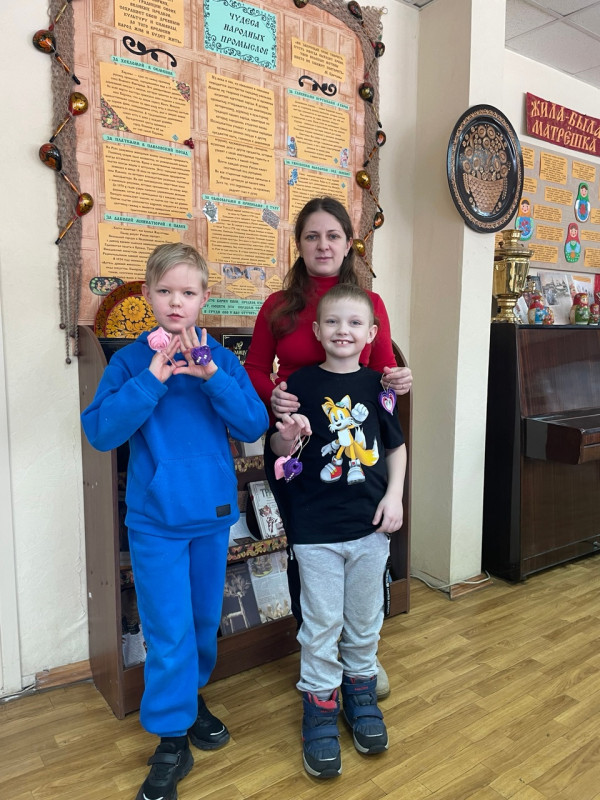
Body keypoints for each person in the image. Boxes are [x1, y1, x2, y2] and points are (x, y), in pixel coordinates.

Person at [81, 243, 269, 800]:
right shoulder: (129, 362)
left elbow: (253, 423)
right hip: (156, 521)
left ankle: (188, 697)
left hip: (210, 516)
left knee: (203, 621)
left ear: (204, 298)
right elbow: (101, 432)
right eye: (165, 291)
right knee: (168, 630)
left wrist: (211, 375)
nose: (176, 302)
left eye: (188, 292)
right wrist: (152, 379)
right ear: (148, 296)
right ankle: (170, 737)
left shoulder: (221, 360)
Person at [244, 196, 412, 696]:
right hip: (297, 442)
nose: (323, 245)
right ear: (299, 244)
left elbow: (380, 372)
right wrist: (272, 398)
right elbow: (255, 368)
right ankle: (321, 654)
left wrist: (399, 379)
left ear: (348, 243)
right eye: (312, 236)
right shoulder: (278, 306)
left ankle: (361, 657)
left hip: (353, 444)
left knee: (366, 545)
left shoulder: (369, 302)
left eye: (333, 235)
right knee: (309, 547)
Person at [269, 283, 407, 778]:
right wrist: (287, 436)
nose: (342, 330)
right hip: (316, 531)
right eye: (332, 322)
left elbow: (394, 447)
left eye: (353, 323)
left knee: (365, 619)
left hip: (369, 528)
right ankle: (320, 705)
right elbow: (279, 450)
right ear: (316, 330)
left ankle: (360, 690)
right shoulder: (298, 385)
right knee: (322, 623)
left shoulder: (379, 387)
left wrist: (394, 497)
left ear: (371, 333)